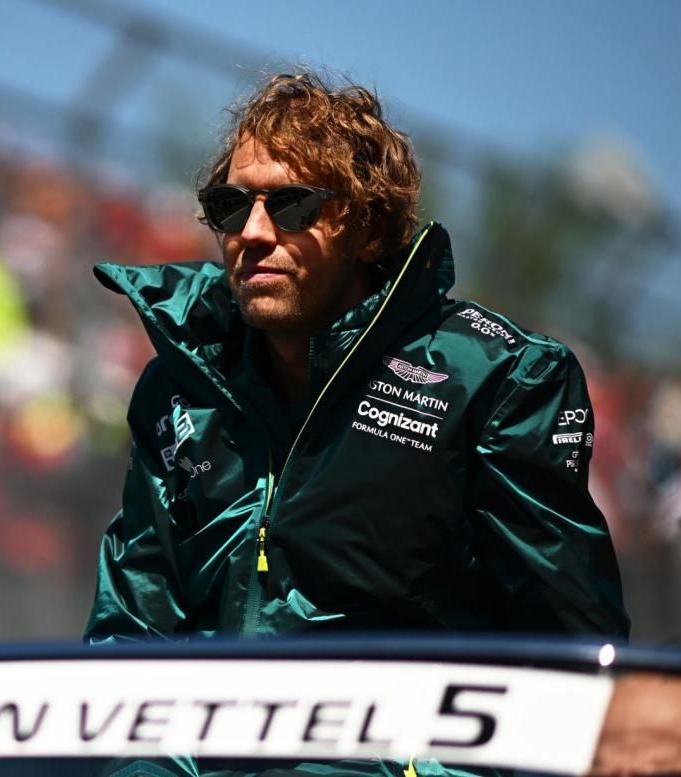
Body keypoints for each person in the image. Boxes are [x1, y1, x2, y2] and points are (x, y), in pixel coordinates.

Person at [85, 70, 628, 643]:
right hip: (211, 729)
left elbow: (573, 645)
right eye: (230, 205)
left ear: (369, 227)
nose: (254, 231)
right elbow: (130, 628)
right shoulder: (178, 383)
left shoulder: (499, 380)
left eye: (293, 206)